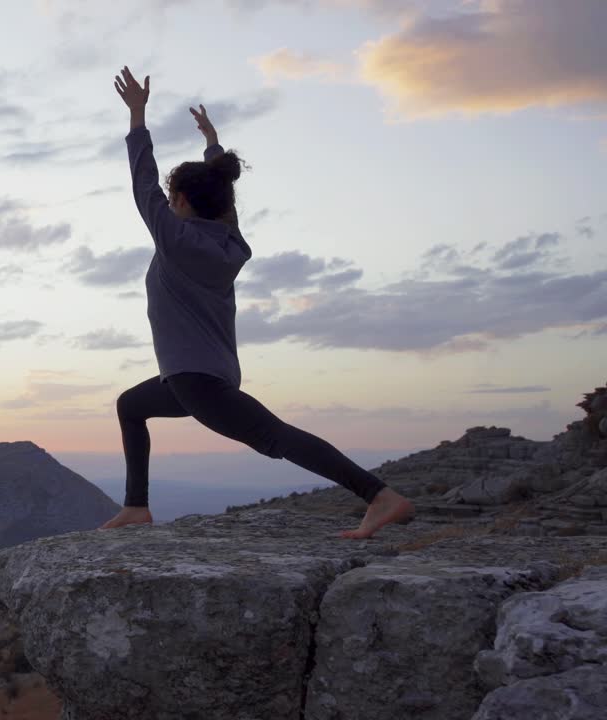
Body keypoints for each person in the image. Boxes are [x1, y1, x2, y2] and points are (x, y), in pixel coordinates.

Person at [99, 66, 414, 539]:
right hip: (207, 373)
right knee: (131, 405)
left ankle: (380, 496)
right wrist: (212, 146)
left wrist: (138, 116)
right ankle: (137, 506)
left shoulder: (176, 240)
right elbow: (220, 200)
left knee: (276, 438)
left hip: (194, 380)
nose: (164, 203)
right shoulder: (230, 242)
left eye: (171, 198)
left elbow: (142, 182)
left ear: (181, 201)